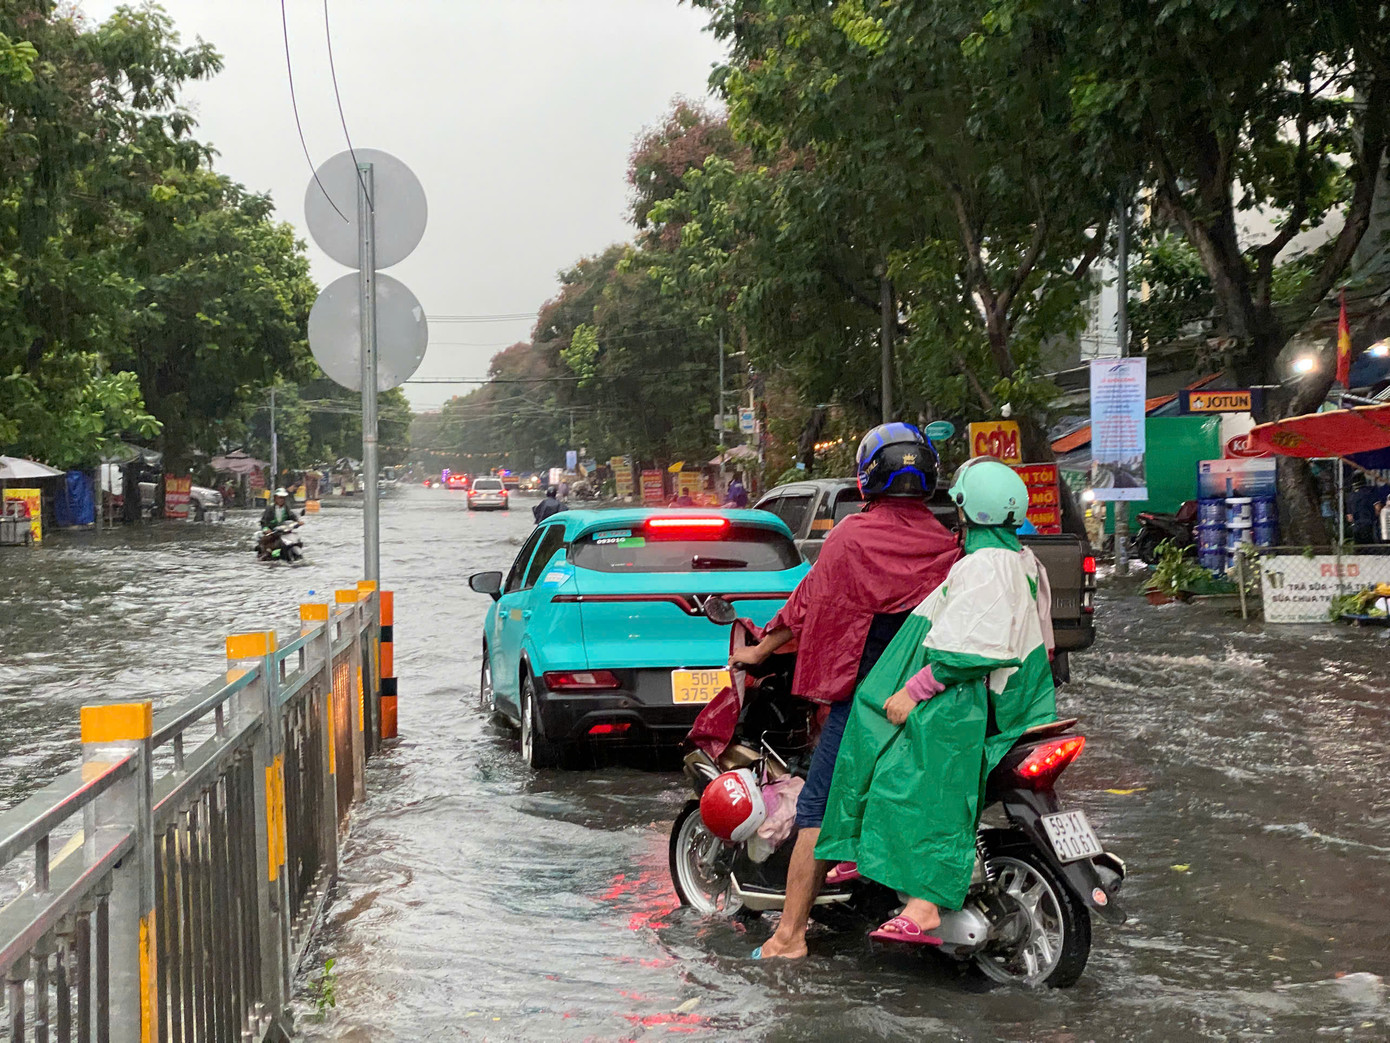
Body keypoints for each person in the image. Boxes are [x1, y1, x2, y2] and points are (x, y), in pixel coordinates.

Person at [736, 423, 959, 960]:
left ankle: (789, 936)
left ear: (868, 478)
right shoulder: (950, 543)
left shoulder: (850, 538)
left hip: (866, 702)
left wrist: (760, 650)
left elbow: (807, 604)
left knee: (817, 807)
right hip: (935, 700)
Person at [816, 458, 1058, 945]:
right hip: (1005, 697)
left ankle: (923, 904)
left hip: (972, 701)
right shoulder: (1023, 561)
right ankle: (863, 851)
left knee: (907, 775)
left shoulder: (985, 566)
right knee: (870, 725)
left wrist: (913, 690)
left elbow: (967, 652)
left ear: (969, 512)